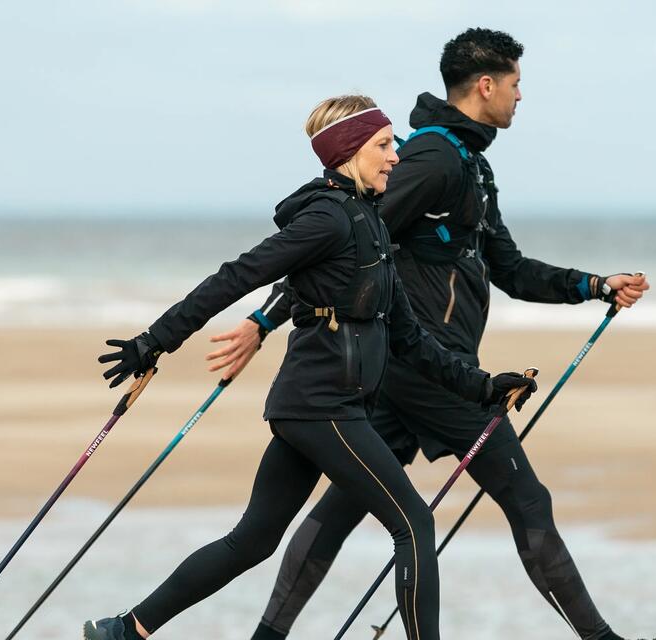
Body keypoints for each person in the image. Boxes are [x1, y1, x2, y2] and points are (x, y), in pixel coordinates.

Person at [209, 29, 656, 640]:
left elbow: (509, 268)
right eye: (516, 83)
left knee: (343, 505)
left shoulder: (470, 164)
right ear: (486, 85)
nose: (521, 96)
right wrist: (264, 320)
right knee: (526, 499)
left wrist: (593, 286)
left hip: (414, 366)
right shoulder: (433, 160)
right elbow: (341, 244)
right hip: (430, 368)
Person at [82, 94, 540, 640]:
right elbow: (236, 276)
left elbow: (411, 338)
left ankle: (125, 630)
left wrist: (484, 386)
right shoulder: (327, 218)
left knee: (253, 540)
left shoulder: (372, 222)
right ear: (350, 151)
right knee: (414, 523)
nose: (396, 156)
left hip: (325, 406)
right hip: (322, 406)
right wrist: (155, 341)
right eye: (383, 145)